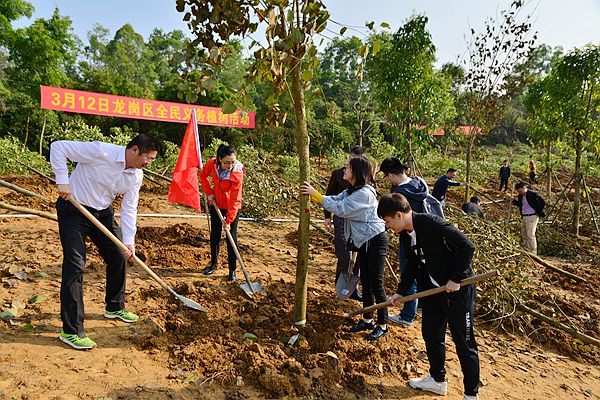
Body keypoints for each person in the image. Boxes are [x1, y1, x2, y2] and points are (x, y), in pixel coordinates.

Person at [50, 134, 160, 350]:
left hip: (102, 214)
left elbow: (129, 208)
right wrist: (62, 181)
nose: (148, 163)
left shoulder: (136, 176)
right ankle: (71, 331)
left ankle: (115, 306)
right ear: (135, 150)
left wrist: (129, 241)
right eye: (148, 158)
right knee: (75, 265)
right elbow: (58, 147)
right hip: (74, 209)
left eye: (152, 160)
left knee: (119, 254)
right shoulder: (101, 151)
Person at [377, 193, 480, 400]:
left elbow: (467, 247)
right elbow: (413, 266)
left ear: (398, 215)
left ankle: (471, 394)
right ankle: (437, 380)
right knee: (432, 336)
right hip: (433, 293)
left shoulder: (433, 224)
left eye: (387, 222)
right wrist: (400, 292)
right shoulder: (406, 235)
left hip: (457, 291)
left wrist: (455, 278)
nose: (387, 226)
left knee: (464, 342)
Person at [301, 156, 389, 341]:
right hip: (363, 241)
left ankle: (383, 324)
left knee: (376, 283)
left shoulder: (364, 194)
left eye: (348, 167)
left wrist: (315, 194)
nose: (344, 170)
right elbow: (335, 198)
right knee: (365, 280)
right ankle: (367, 319)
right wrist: (317, 196)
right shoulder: (352, 190)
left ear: (356, 172)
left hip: (375, 240)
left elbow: (340, 208)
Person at [380, 157, 428, 327]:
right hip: (422, 235)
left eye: (386, 177)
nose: (387, 181)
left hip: (410, 237)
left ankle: (407, 315)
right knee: (418, 272)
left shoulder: (402, 194)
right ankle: (416, 307)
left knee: (409, 273)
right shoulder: (418, 184)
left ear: (391, 175)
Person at [324, 146, 366, 301]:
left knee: (357, 256)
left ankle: (353, 288)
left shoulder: (365, 179)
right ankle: (340, 287)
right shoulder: (338, 174)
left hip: (356, 221)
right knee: (344, 254)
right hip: (341, 218)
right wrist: (327, 216)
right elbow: (330, 196)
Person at [200, 144, 246, 282]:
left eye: (233, 161)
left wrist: (229, 220)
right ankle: (213, 263)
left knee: (230, 236)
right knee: (214, 234)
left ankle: (232, 270)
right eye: (227, 162)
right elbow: (203, 176)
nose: (230, 165)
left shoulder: (237, 172)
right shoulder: (212, 164)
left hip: (232, 207)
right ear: (219, 159)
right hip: (216, 203)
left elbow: (235, 199)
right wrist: (209, 193)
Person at [509, 182, 545, 254]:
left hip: (532, 216)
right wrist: (513, 201)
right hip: (525, 216)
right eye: (518, 191)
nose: (520, 192)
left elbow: (542, 202)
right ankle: (527, 249)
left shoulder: (533, 194)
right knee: (524, 233)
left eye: (520, 191)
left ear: (524, 188)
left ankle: (533, 251)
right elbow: (520, 205)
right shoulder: (520, 196)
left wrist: (538, 211)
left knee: (530, 234)